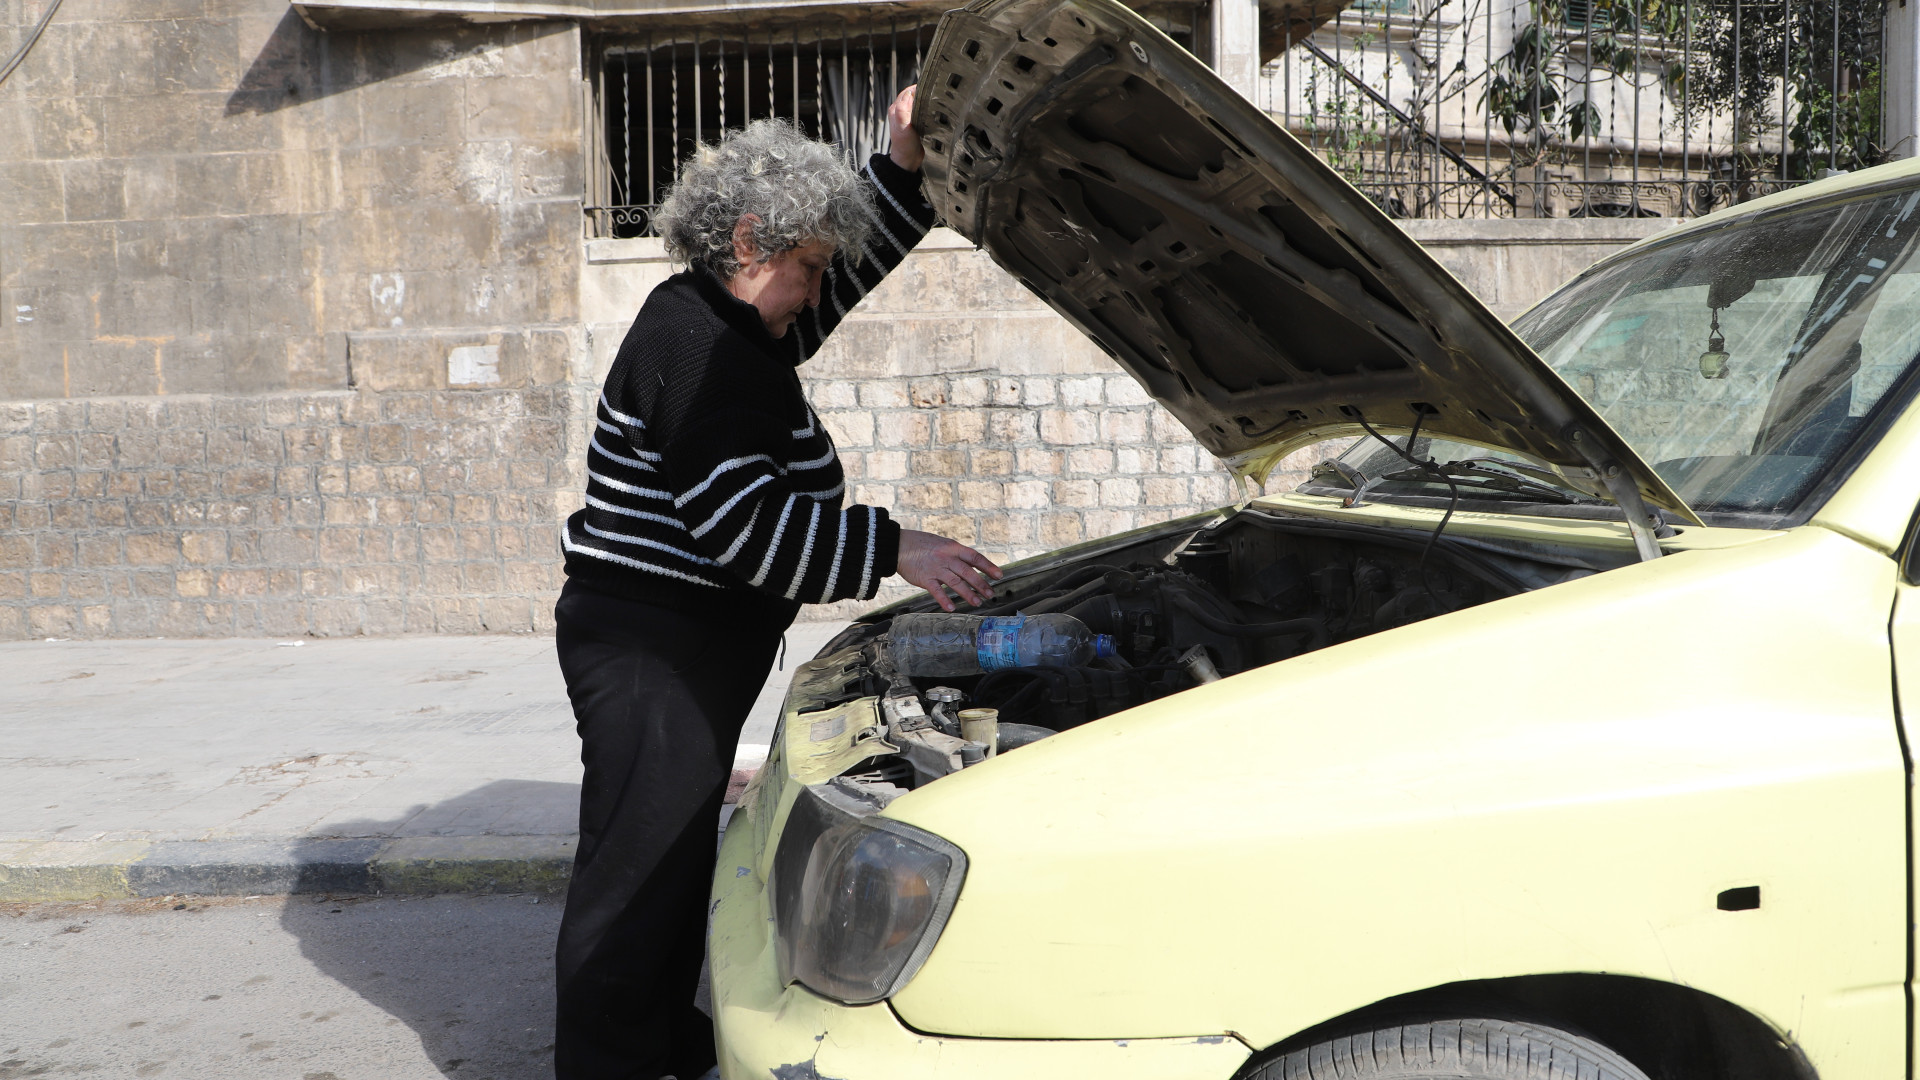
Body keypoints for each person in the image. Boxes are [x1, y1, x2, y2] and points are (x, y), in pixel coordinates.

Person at [551, 87, 1003, 1080]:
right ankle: (606, 1063)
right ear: (751, 241)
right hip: (648, 647)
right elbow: (747, 533)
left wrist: (900, 168)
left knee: (674, 860)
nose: (814, 292)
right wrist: (895, 546)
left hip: (679, 643)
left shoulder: (730, 320)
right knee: (634, 874)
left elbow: (831, 291)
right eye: (806, 267)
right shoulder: (701, 351)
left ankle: (659, 1041)